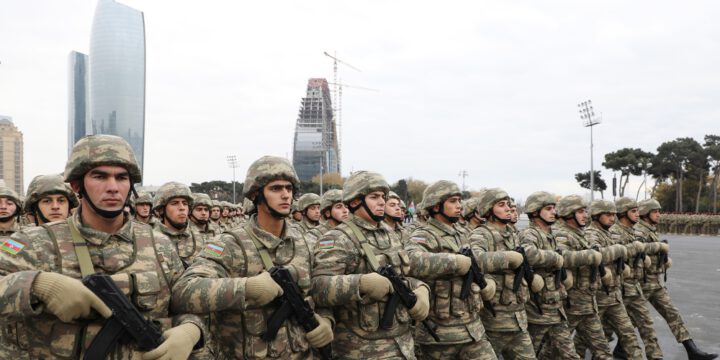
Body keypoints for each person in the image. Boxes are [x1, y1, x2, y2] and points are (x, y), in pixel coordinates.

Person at [0, 134, 205, 359]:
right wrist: (36, 285)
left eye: (121, 178)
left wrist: (192, 330)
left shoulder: (160, 245)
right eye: (100, 176)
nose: (113, 187)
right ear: (77, 185)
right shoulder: (35, 242)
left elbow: (186, 304)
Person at [171, 156, 331, 358]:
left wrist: (326, 320)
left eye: (289, 189)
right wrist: (246, 289)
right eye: (276, 189)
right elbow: (183, 291)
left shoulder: (304, 243)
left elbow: (319, 291)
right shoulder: (230, 244)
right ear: (256, 195)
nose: (285, 195)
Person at [312, 170, 430, 359]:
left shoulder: (390, 234)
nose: (382, 201)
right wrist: (361, 284)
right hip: (361, 349)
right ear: (354, 201)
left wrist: (421, 289)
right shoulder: (338, 238)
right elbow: (318, 288)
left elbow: (404, 275)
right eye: (374, 197)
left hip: (403, 345)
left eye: (383, 196)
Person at [405, 180, 498, 359]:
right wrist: (454, 262)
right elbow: (411, 261)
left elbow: (476, 263)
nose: (459, 206)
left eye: (459, 201)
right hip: (440, 333)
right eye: (453, 201)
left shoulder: (461, 234)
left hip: (472, 329)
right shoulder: (423, 235)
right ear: (436, 206)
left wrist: (487, 281)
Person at [634, 199, 717, 360]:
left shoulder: (650, 229)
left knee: (673, 314)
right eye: (655, 211)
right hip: (641, 283)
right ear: (645, 214)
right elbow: (638, 252)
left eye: (659, 211)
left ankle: (691, 350)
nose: (659, 214)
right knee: (628, 320)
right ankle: (607, 346)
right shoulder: (639, 231)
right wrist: (659, 248)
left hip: (654, 282)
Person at [468, 188, 537, 359]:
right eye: (501, 205)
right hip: (494, 319)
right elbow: (475, 260)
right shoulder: (481, 234)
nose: (508, 208)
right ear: (489, 209)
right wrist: (508, 258)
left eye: (508, 204)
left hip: (518, 318)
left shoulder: (513, 234)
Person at [576, 200, 642, 359]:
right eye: (608, 215)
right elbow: (598, 255)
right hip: (598, 296)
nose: (612, 218)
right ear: (597, 216)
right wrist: (619, 250)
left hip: (613, 294)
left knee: (629, 335)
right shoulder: (591, 234)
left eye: (613, 214)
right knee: (583, 341)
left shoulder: (609, 233)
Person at [518, 191, 579, 360]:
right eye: (549, 208)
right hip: (537, 310)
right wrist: (555, 258)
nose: (554, 212)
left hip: (556, 307)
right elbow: (528, 254)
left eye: (554, 208)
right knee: (531, 353)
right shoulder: (529, 234)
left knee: (568, 354)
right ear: (536, 211)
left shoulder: (550, 235)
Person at [553, 195, 612, 359]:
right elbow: (561, 257)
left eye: (585, 211)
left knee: (603, 350)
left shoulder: (581, 234)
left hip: (588, 303)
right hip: (570, 305)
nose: (585, 215)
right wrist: (590, 256)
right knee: (553, 352)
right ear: (568, 213)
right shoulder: (562, 234)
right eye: (580, 211)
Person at [610, 197, 663, 360]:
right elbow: (613, 252)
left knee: (646, 325)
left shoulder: (634, 231)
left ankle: (656, 357)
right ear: (623, 213)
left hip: (634, 287)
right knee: (601, 332)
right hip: (617, 290)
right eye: (633, 211)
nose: (638, 214)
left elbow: (642, 248)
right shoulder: (614, 232)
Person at [153, 182, 206, 268]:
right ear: (161, 209)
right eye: (174, 203)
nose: (182, 208)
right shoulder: (149, 240)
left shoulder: (201, 238)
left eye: (185, 203)